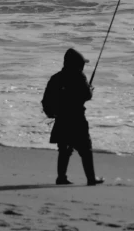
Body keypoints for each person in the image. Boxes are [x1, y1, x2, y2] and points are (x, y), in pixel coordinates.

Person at [42, 47, 104, 186]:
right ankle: (91, 179)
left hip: (61, 119)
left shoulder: (56, 78)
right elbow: (86, 95)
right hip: (77, 119)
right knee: (85, 149)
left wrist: (53, 112)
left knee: (64, 149)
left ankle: (61, 177)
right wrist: (90, 89)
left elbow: (46, 100)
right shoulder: (79, 77)